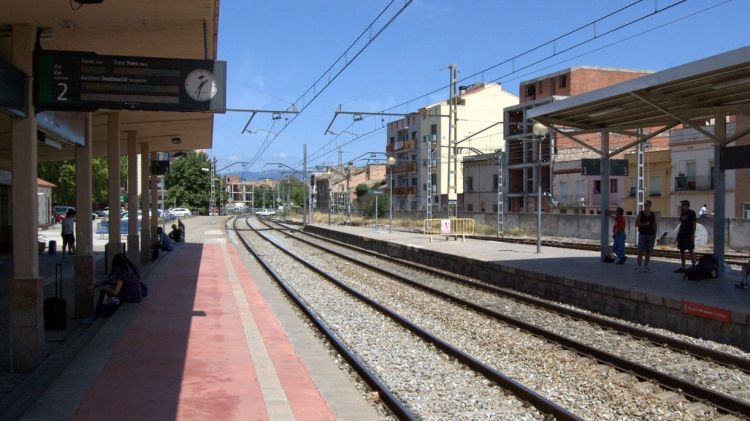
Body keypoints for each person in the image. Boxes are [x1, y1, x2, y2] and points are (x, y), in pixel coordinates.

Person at [87, 253, 142, 321]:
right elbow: (110, 278)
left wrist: (105, 288)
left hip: (132, 296)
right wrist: (96, 285)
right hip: (136, 294)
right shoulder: (128, 268)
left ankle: (96, 314)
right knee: (109, 287)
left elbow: (116, 292)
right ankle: (102, 310)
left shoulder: (122, 274)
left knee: (104, 291)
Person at [634, 200, 657, 273]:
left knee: (648, 252)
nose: (645, 206)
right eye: (644, 205)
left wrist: (655, 235)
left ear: (650, 206)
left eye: (647, 205)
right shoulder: (641, 214)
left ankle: (646, 266)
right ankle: (638, 266)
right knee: (640, 251)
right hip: (642, 234)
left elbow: (655, 225)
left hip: (651, 235)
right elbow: (636, 224)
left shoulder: (653, 214)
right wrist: (644, 224)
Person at [674, 200, 697, 273]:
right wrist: (678, 235)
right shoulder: (682, 213)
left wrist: (692, 235)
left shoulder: (692, 213)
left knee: (690, 250)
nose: (681, 206)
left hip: (688, 234)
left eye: (683, 204)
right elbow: (681, 224)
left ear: (687, 205)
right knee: (682, 250)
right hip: (682, 234)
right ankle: (683, 267)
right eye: (681, 205)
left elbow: (694, 224)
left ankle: (694, 265)